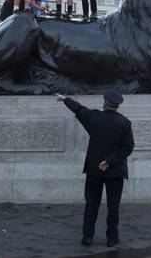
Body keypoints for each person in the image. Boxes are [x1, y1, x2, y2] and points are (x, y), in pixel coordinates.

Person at [57, 90, 134, 247]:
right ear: (117, 106)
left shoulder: (94, 118)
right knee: (113, 206)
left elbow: (78, 109)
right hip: (115, 171)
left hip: (94, 170)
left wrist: (65, 99)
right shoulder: (124, 122)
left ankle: (87, 237)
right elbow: (128, 148)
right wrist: (109, 161)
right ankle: (112, 239)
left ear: (104, 102)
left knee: (91, 203)